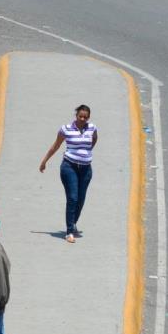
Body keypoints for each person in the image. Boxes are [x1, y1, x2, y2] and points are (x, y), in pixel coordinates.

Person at [38, 104, 97, 243]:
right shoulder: (66, 129)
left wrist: (86, 152)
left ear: (88, 117)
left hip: (86, 169)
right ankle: (69, 231)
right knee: (73, 198)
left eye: (85, 117)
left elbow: (94, 139)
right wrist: (44, 161)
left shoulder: (92, 128)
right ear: (76, 115)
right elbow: (56, 145)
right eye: (80, 116)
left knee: (81, 199)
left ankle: (73, 223)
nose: (82, 119)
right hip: (69, 167)